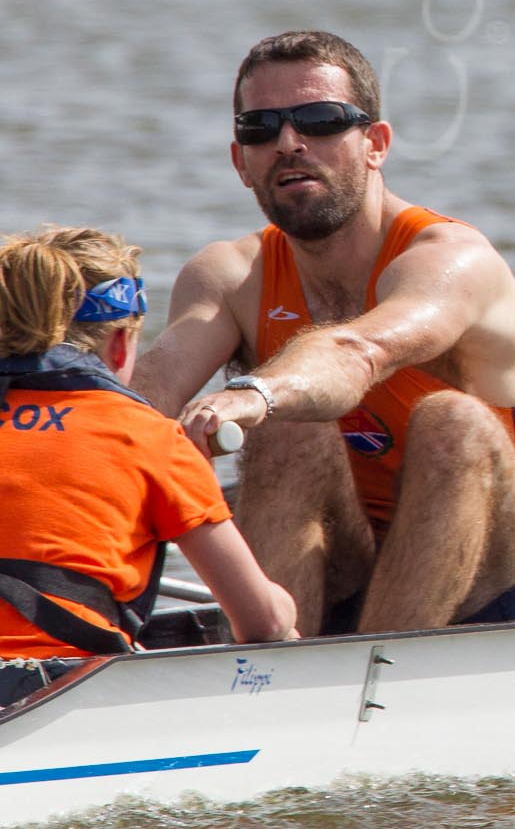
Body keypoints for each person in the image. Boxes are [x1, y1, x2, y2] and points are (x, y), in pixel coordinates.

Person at [134, 31, 515, 636]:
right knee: (285, 429)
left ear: (376, 145)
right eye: (262, 128)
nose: (289, 144)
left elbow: (357, 350)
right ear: (240, 161)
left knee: (451, 424)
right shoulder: (227, 275)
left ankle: (367, 671)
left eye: (320, 120)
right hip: (346, 560)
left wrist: (254, 394)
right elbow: (138, 410)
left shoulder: (453, 259)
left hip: (485, 582)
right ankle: (272, 669)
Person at [1, 227, 295, 708]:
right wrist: (283, 606)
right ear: (120, 344)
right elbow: (261, 621)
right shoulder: (150, 436)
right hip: (49, 689)